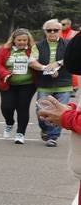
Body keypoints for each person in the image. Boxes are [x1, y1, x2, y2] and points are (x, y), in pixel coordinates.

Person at [0, 29, 42, 144]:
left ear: (28, 40)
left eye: (24, 40)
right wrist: (5, 74)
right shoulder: (4, 50)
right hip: (8, 84)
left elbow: (39, 63)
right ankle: (9, 123)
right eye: (19, 40)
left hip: (28, 85)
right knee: (7, 107)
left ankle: (20, 133)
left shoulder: (33, 50)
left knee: (22, 108)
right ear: (14, 40)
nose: (22, 42)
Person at [36, 18, 72, 146]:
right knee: (41, 110)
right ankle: (45, 129)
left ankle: (53, 137)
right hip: (44, 84)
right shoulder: (38, 45)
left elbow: (72, 58)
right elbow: (32, 61)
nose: (52, 32)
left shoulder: (68, 44)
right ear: (45, 31)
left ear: (60, 31)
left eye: (55, 30)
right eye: (49, 30)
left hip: (64, 83)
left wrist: (57, 63)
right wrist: (47, 68)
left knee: (60, 111)